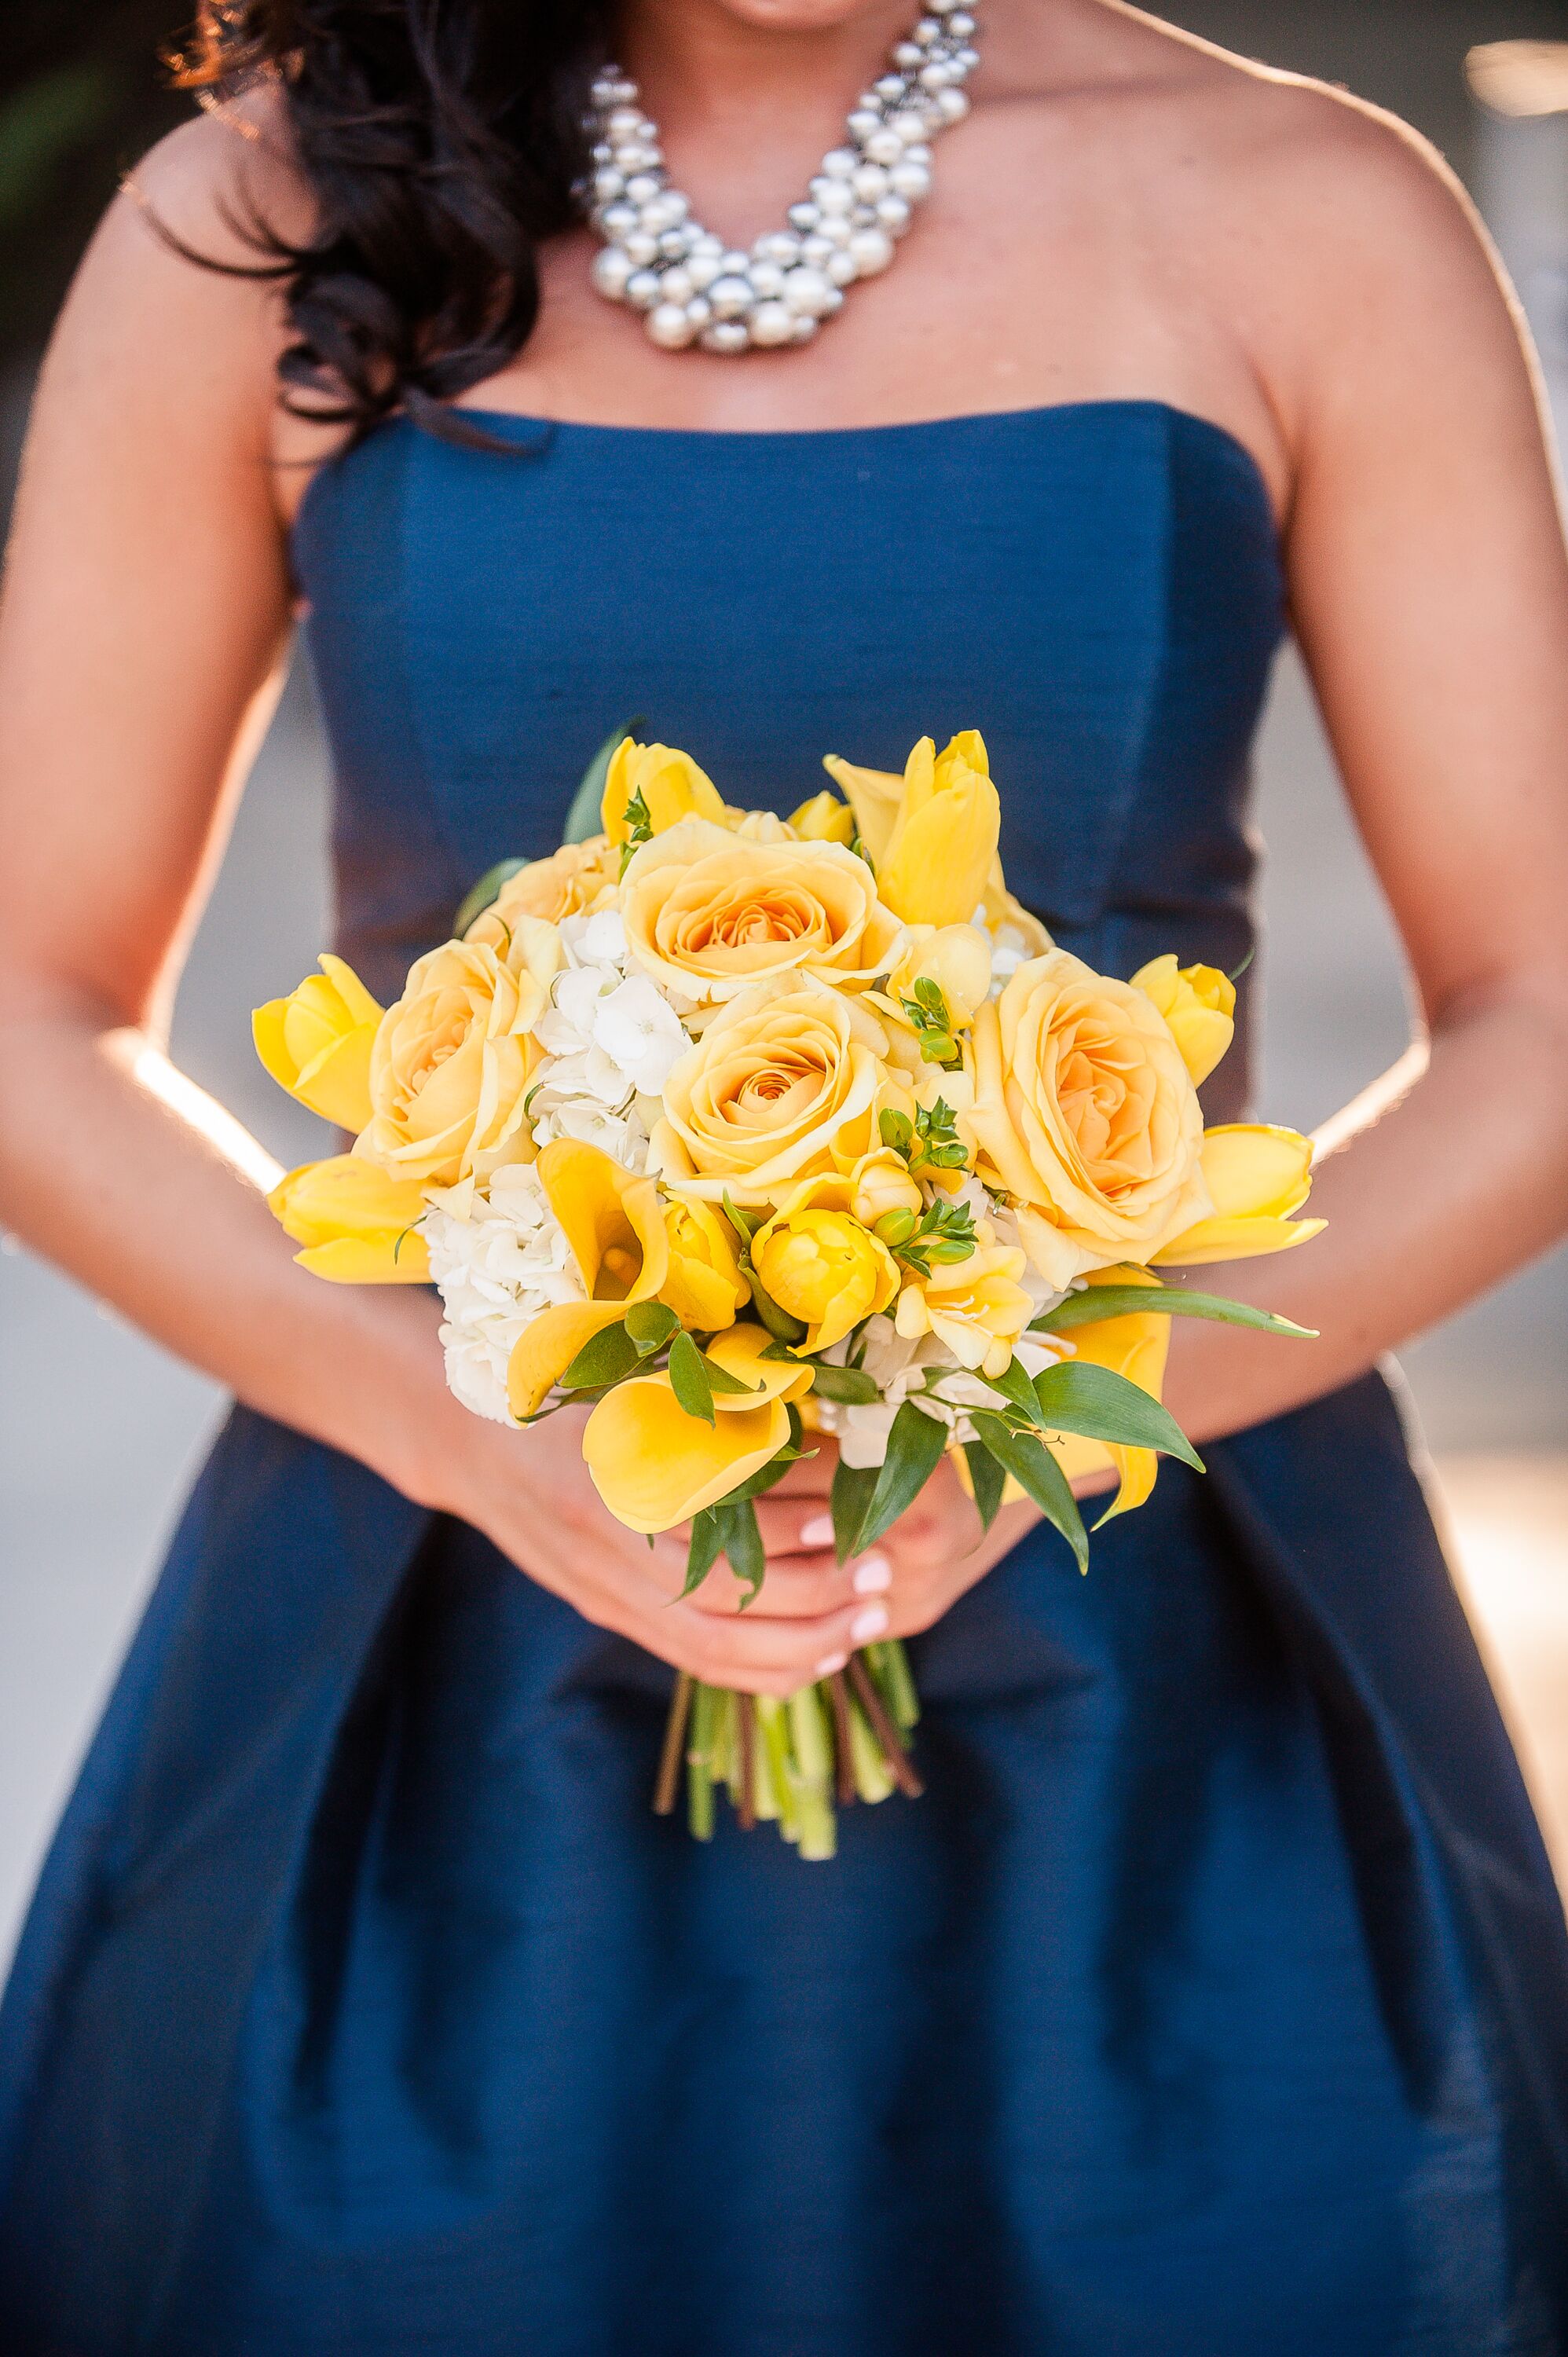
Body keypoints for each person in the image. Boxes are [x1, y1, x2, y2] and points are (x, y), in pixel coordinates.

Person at [2, 0, 1567, 2345]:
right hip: (433, 1609)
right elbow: (28, 1001)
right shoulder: (264, 211)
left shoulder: (1309, 209)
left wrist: (1047, 1423)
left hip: (1160, 1634)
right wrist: (482, 1436)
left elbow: (1542, 1014)